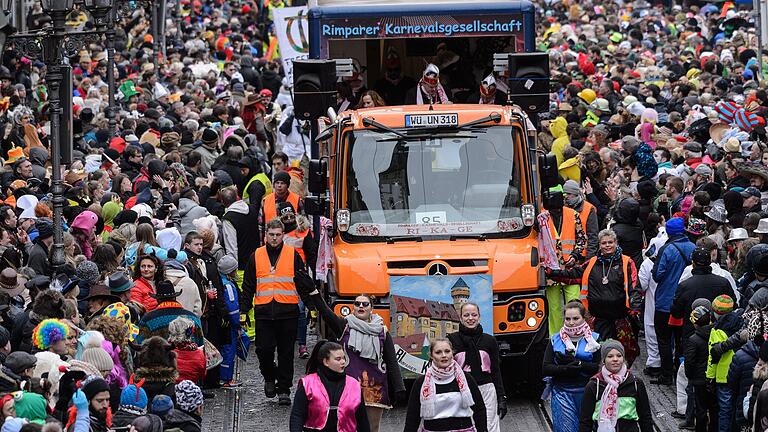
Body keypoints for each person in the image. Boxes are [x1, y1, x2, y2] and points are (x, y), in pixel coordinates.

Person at [240, 219, 314, 405]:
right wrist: (243, 310)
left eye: (278, 235)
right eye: (271, 234)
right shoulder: (256, 256)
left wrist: (311, 307)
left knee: (286, 353)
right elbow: (248, 286)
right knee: (263, 350)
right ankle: (269, 376)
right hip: (264, 311)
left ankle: (284, 389)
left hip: (288, 311)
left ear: (283, 235)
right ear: (266, 234)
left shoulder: (292, 255)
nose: (274, 238)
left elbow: (303, 284)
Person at [309, 292, 404, 432]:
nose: (361, 306)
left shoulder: (382, 331)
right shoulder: (344, 326)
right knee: (348, 426)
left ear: (371, 308)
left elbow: (391, 361)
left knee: (372, 428)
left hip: (374, 386)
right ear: (353, 308)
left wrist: (399, 388)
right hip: (348, 385)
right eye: (357, 303)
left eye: (365, 304)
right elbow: (325, 312)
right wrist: (314, 293)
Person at [548, 229, 641, 346]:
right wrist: (552, 272)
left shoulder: (627, 262)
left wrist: (635, 309)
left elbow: (634, 287)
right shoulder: (592, 262)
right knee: (598, 351)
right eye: (604, 243)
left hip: (620, 318)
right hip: (598, 319)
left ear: (616, 243)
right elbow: (573, 274)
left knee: (622, 353)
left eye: (610, 242)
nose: (607, 245)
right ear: (599, 245)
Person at [403, 338, 487, 432]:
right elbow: (412, 417)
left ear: (452, 353)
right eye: (438, 352)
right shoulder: (421, 383)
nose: (444, 355)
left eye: (447, 351)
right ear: (431, 355)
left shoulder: (466, 379)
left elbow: (479, 410)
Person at [542, 300, 600, 432]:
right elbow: (545, 368)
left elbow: (598, 368)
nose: (571, 322)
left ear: (583, 318)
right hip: (563, 392)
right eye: (568, 319)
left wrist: (580, 364)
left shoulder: (595, 340)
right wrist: (565, 369)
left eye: (575, 318)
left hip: (588, 393)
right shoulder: (555, 339)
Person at [447, 303, 507, 432]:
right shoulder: (452, 340)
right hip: (461, 390)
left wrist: (501, 397)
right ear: (461, 318)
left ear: (479, 317)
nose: (470, 318)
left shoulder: (489, 340)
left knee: (489, 427)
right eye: (466, 315)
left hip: (486, 389)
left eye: (474, 315)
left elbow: (496, 371)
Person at [289, 340, 370, 432]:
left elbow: (362, 420)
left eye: (344, 358)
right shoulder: (308, 383)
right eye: (338, 359)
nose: (343, 362)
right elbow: (297, 415)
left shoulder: (354, 385)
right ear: (326, 361)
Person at [651, 217, 696, 385]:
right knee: (681, 339)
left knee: (663, 339)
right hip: (685, 304)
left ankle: (666, 374)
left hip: (665, 302)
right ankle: (680, 373)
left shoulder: (666, 249)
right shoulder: (693, 247)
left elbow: (657, 275)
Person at [578, 339, 653, 432]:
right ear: (603, 360)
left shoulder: (635, 383)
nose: (615, 359)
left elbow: (645, 417)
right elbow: (585, 421)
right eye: (610, 356)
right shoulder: (594, 385)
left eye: (619, 356)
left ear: (623, 358)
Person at [684, 305, 717, 432]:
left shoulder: (693, 339)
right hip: (713, 377)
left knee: (701, 409)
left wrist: (690, 376)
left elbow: (689, 361)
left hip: (699, 380)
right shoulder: (715, 333)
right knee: (714, 408)